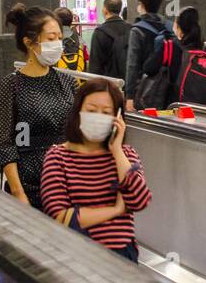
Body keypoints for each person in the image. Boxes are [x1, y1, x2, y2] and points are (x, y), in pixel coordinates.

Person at [39, 79, 151, 263]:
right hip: (75, 256)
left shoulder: (126, 155)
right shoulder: (58, 157)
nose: (98, 116)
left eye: (106, 112)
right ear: (78, 112)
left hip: (121, 255)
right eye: (91, 110)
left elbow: (139, 200)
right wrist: (115, 210)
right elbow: (61, 216)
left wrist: (116, 150)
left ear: (118, 118)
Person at [0, 4, 76, 211]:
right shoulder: (9, 86)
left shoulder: (68, 82)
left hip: (67, 184)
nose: (57, 44)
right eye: (50, 38)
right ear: (29, 42)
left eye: (59, 37)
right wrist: (19, 194)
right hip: (29, 184)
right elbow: (4, 144)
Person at [143, 6, 206, 107]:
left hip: (175, 110)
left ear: (179, 28)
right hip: (204, 111)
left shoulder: (170, 47)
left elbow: (148, 68)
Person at [124, 0, 173, 111]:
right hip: (168, 88)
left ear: (141, 4)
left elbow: (133, 65)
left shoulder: (137, 30)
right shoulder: (169, 27)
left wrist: (130, 96)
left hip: (144, 90)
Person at [88, 0, 130, 80]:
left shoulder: (100, 32)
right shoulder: (131, 28)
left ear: (105, 10)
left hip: (109, 83)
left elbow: (95, 65)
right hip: (128, 81)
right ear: (120, 10)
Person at [54, 7, 87, 72]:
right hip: (79, 78)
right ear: (71, 21)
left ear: (55, 21)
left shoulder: (52, 40)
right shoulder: (80, 40)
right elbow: (86, 60)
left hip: (59, 78)